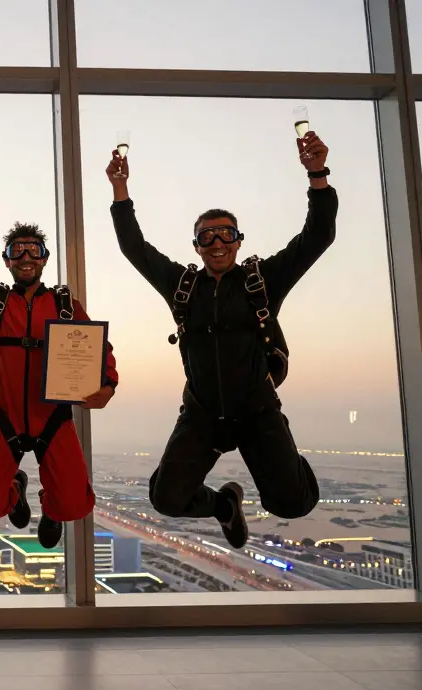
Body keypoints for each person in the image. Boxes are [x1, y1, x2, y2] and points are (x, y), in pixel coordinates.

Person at [107, 130, 335, 549]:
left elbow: (317, 237)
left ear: (239, 241)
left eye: (226, 234)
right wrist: (121, 192)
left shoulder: (261, 280)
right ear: (196, 246)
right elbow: (135, 247)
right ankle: (225, 506)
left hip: (257, 411)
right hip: (203, 413)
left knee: (292, 504)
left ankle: (286, 466)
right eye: (207, 236)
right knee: (166, 499)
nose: (217, 243)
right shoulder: (183, 285)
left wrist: (317, 174)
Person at [0, 170, 119, 549]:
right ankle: (15, 490)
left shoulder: (65, 306)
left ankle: (50, 509)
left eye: (35, 250)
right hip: (5, 417)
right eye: (17, 251)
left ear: (46, 259)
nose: (27, 257)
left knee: (73, 507)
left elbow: (99, 349)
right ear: (7, 261)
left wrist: (108, 384)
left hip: (52, 416)